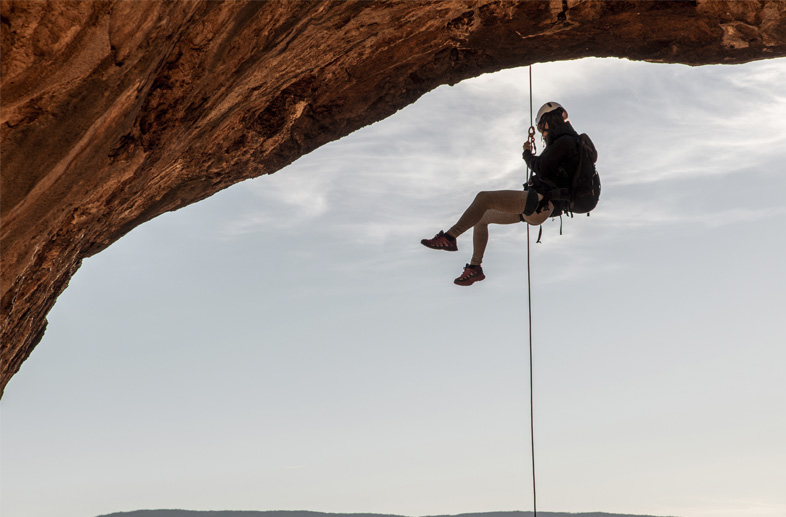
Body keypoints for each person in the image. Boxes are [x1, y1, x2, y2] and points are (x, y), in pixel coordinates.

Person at [421, 101, 582, 286]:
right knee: (481, 218)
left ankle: (449, 237)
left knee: (484, 198)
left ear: (550, 121)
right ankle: (475, 268)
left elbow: (542, 167)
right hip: (539, 207)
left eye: (542, 126)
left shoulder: (565, 141)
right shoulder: (566, 143)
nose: (542, 132)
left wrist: (527, 154)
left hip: (540, 203)